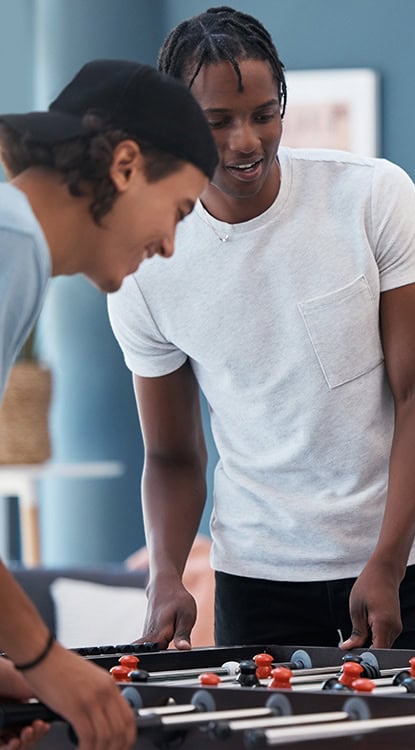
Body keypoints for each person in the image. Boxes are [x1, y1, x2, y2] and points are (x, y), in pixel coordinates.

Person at [107, 6, 415, 653]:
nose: (246, 141)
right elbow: (171, 455)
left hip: (404, 566)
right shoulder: (147, 262)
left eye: (263, 113)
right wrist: (165, 575)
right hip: (257, 580)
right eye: (217, 122)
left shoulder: (372, 196)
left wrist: (386, 561)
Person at [0, 58, 217, 749]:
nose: (170, 244)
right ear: (124, 165)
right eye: (179, 210)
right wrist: (45, 662)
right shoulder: (12, 246)